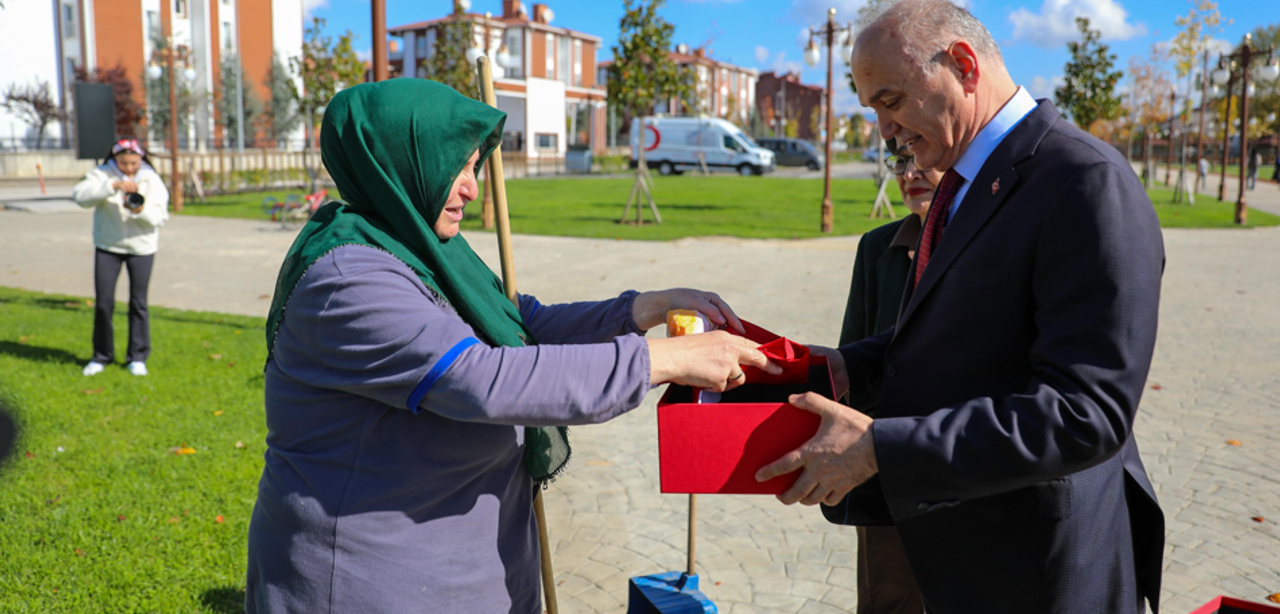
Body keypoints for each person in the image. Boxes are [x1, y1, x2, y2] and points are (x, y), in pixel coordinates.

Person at [244, 79, 779, 614]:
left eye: (474, 167)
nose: (471, 188)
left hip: (468, 568)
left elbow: (522, 325)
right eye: (455, 167)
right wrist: (666, 360)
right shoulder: (346, 278)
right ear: (401, 162)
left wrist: (643, 308)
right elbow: (478, 378)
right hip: (374, 580)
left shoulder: (422, 247)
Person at [758, 0, 1165, 613]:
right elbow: (962, 334)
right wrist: (836, 368)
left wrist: (881, 449)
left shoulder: (1085, 181)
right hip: (964, 556)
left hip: (1040, 570)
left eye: (891, 101)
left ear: (963, 65)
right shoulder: (965, 182)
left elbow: (1086, 413)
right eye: (874, 110)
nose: (885, 130)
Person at [837, 146, 941, 614]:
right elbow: (850, 355)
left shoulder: (982, 246)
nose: (909, 172)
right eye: (899, 161)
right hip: (884, 471)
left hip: (960, 462)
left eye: (921, 157)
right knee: (888, 599)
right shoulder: (875, 247)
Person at [71, 138, 169, 377]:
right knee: (104, 304)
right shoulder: (102, 174)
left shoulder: (151, 179)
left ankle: (137, 357)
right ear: (115, 159)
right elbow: (80, 197)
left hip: (142, 248)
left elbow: (160, 217)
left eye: (134, 163)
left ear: (141, 159)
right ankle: (101, 356)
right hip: (108, 246)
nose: (129, 168)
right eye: (124, 163)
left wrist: (139, 210)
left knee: (138, 303)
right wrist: (112, 186)